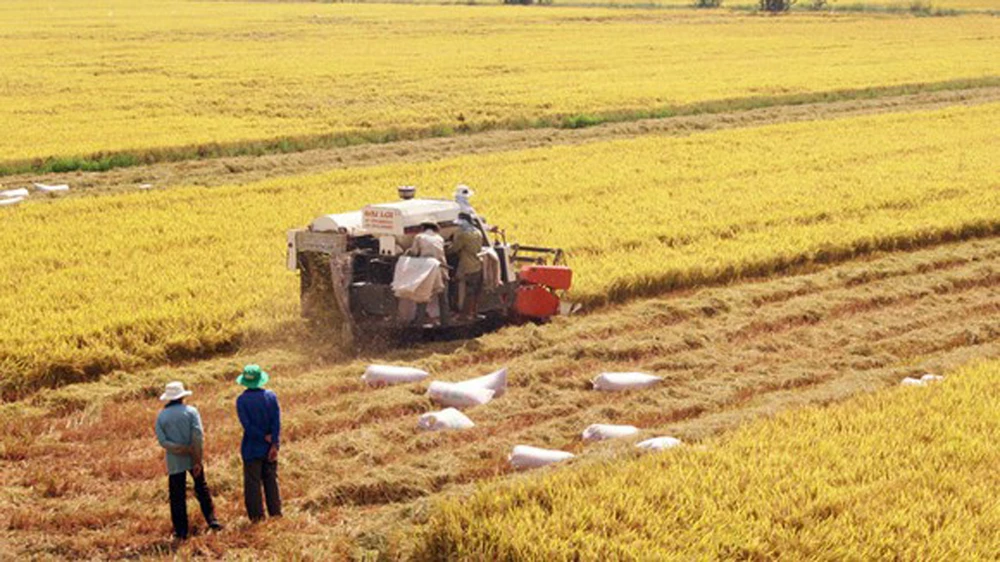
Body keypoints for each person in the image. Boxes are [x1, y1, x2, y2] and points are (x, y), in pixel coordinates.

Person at [154, 381, 222, 541]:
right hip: (193, 458)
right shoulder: (191, 412)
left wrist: (179, 449)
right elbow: (198, 436)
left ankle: (181, 531)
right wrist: (196, 458)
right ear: (182, 397)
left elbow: (163, 442)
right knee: (202, 488)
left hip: (174, 461)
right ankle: (212, 520)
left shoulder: (161, 416)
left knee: (177, 494)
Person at [235, 364, 282, 522]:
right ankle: (275, 514)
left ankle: (257, 518)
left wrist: (262, 437)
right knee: (271, 480)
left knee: (253, 484)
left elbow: (247, 426)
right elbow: (277, 421)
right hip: (269, 448)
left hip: (251, 447)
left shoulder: (241, 400)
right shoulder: (271, 396)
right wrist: (274, 442)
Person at [408, 221, 450, 326]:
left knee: (423, 295)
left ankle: (419, 322)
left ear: (423, 228)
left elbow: (414, 253)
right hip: (441, 268)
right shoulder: (440, 238)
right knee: (443, 298)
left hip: (427, 269)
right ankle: (445, 322)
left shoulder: (419, 237)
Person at [447, 212, 485, 321]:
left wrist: (445, 249)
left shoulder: (463, 235)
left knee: (466, 292)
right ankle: (475, 313)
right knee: (476, 292)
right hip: (477, 264)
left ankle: (463, 315)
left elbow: (454, 249)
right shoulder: (478, 232)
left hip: (467, 266)